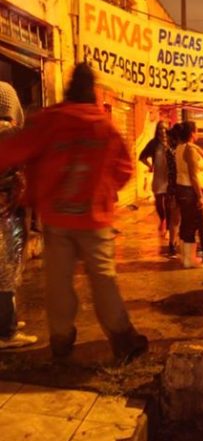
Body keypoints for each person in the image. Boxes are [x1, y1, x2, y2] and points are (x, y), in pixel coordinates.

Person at [0, 63, 148, 361]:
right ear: (92, 90)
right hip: (95, 218)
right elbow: (125, 169)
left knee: (58, 281)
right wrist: (104, 190)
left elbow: (11, 152)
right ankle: (122, 338)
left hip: (56, 217)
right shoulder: (103, 126)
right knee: (103, 278)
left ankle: (61, 339)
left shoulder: (50, 120)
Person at [0, 82, 37, 349]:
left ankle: (7, 320)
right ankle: (7, 331)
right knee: (6, 270)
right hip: (6, 213)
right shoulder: (11, 133)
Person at [175, 120, 203, 268]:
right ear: (192, 133)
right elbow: (194, 175)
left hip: (182, 188)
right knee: (192, 223)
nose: (198, 133)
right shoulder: (190, 149)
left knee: (186, 223)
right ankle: (190, 259)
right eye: (197, 130)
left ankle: (185, 257)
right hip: (190, 190)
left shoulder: (180, 147)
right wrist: (200, 196)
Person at [139, 121, 169, 236]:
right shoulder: (154, 143)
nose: (163, 131)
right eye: (161, 128)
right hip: (158, 176)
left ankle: (167, 226)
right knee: (158, 201)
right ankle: (162, 219)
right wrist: (150, 166)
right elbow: (142, 157)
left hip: (169, 177)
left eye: (165, 128)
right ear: (157, 130)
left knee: (167, 202)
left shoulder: (172, 142)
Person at [165, 123, 182, 258]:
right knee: (175, 218)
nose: (167, 140)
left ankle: (174, 244)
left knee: (175, 218)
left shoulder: (172, 151)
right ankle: (173, 244)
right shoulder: (173, 152)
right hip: (177, 187)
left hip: (173, 187)